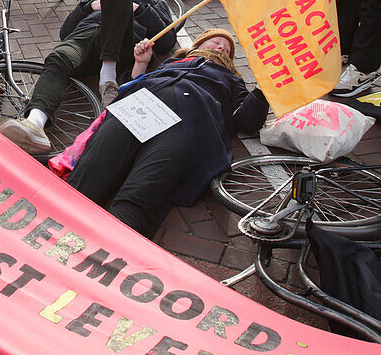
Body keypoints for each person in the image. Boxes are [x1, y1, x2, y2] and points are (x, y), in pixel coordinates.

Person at [65, 29, 268, 237]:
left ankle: (111, 246)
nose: (222, 49)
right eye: (216, 42)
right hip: (140, 105)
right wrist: (141, 63)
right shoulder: (170, 63)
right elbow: (134, 83)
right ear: (197, 46)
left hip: (190, 122)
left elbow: (246, 120)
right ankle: (55, 227)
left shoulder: (232, 80)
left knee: (141, 192)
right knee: (90, 171)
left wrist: (263, 90)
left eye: (227, 50)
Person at [0, 0, 178, 153]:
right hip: (85, 37)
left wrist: (138, 9)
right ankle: (34, 123)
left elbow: (167, 42)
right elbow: (65, 33)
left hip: (123, 44)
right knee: (58, 58)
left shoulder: (154, 1)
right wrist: (89, 7)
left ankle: (107, 75)